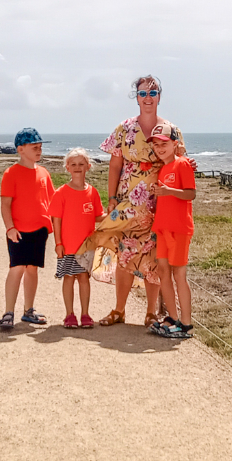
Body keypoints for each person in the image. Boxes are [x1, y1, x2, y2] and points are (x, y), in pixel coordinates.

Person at [92, 75, 190, 328]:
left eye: (152, 92)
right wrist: (111, 199)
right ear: (136, 98)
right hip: (129, 202)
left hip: (160, 207)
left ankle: (150, 313)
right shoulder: (124, 128)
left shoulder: (172, 129)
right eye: (143, 93)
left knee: (154, 259)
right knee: (125, 255)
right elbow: (115, 166)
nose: (148, 98)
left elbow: (180, 163)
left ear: (159, 96)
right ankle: (119, 310)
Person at [0, 127, 53, 331]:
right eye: (34, 147)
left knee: (32, 269)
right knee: (17, 268)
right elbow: (5, 204)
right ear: (21, 150)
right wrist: (10, 227)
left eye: (40, 147)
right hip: (18, 230)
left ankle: (28, 310)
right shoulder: (10, 173)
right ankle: (8, 312)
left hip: (39, 230)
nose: (39, 150)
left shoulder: (44, 173)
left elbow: (51, 200)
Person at [147, 124, 197, 339]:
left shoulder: (182, 164)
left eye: (164, 144)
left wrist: (169, 191)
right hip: (163, 228)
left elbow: (190, 194)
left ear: (175, 144)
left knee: (179, 274)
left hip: (179, 228)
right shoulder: (163, 169)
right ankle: (173, 318)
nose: (160, 148)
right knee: (163, 273)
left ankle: (186, 324)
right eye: (156, 145)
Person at [48, 148, 105, 329]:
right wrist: (58, 244)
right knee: (69, 278)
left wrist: (116, 215)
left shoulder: (93, 192)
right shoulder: (61, 193)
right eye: (73, 164)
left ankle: (85, 314)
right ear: (67, 168)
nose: (77, 167)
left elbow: (98, 216)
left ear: (88, 166)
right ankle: (69, 315)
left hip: (86, 246)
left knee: (83, 278)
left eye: (81, 164)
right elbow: (56, 220)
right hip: (67, 245)